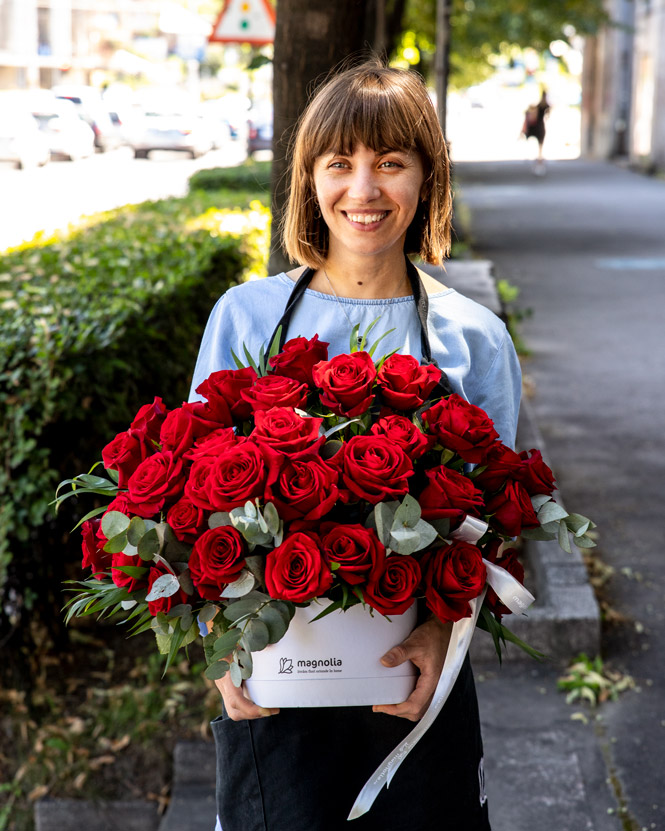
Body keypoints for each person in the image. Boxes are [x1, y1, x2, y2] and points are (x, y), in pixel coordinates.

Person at [189, 58, 522, 831]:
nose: (364, 189)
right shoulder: (247, 317)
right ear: (308, 179)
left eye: (391, 163)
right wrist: (219, 645)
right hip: (276, 681)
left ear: (425, 179)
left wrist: (439, 632)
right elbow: (196, 505)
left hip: (409, 682)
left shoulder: (473, 336)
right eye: (340, 163)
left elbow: (498, 522)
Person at [522, 89, 550, 174]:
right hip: (540, 126)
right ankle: (539, 158)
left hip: (537, 126)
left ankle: (537, 158)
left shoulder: (539, 105)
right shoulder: (546, 105)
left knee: (537, 143)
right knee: (540, 144)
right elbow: (547, 116)